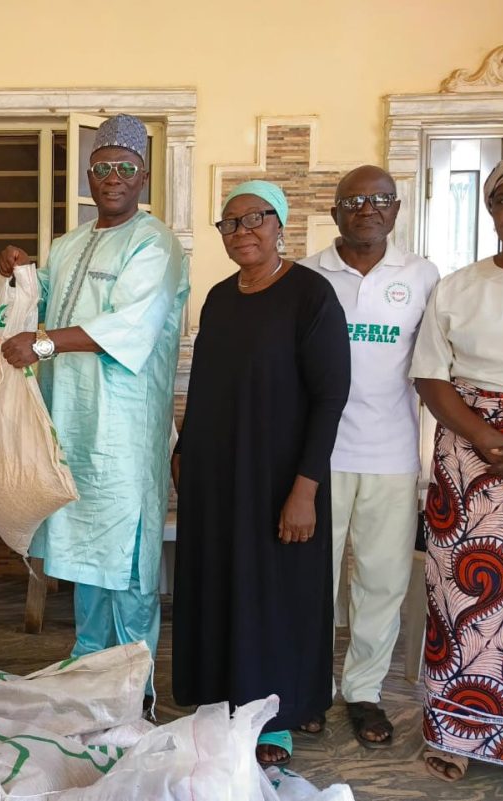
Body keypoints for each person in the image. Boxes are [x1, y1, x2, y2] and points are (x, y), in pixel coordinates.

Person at [0, 114, 189, 700]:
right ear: (89, 174)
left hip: (124, 427)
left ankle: (131, 690)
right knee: (84, 551)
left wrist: (44, 344)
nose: (113, 177)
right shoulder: (68, 244)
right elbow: (42, 306)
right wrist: (20, 273)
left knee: (124, 554)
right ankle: (86, 682)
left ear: (143, 177)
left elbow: (132, 325)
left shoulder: (155, 243)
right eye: (102, 167)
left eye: (125, 168)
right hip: (71, 421)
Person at [171, 180, 350, 767]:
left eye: (256, 218)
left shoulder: (311, 295)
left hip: (279, 477)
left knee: (276, 592)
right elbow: (207, 384)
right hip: (217, 473)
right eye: (231, 222)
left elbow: (330, 398)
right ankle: (222, 698)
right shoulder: (220, 298)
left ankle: (276, 718)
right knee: (222, 582)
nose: (243, 230)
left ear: (280, 225)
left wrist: (305, 489)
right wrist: (184, 448)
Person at [410, 153, 503, 800]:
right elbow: (430, 375)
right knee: (464, 597)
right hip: (471, 460)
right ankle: (459, 732)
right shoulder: (457, 287)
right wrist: (488, 438)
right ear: (489, 210)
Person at [301, 166, 439, 748]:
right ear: (335, 211)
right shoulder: (308, 274)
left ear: (396, 209)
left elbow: (435, 365)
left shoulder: (423, 275)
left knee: (382, 581)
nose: (368, 209)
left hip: (392, 454)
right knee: (312, 581)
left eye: (380, 199)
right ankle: (308, 686)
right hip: (320, 455)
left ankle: (363, 691)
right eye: (354, 200)